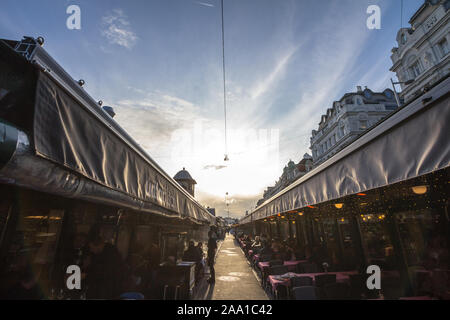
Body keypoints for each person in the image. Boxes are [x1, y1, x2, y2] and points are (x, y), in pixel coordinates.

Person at [83, 225, 128, 299]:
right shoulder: (96, 254)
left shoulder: (112, 254)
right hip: (98, 292)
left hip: (107, 293)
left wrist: (86, 275)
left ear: (97, 244)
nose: (91, 250)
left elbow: (106, 274)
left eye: (91, 247)